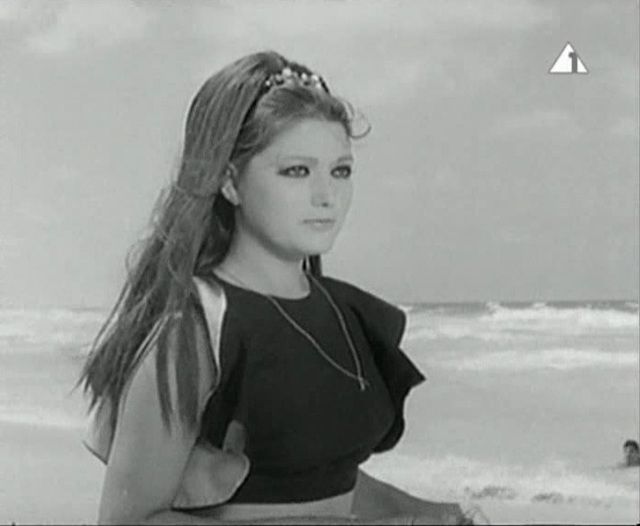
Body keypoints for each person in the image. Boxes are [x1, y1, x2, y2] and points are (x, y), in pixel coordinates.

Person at [77, 51, 473, 525]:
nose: (326, 196)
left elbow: (319, 481)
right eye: (297, 171)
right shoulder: (197, 329)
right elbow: (127, 522)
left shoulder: (343, 315)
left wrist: (428, 513)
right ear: (230, 182)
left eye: (340, 170)